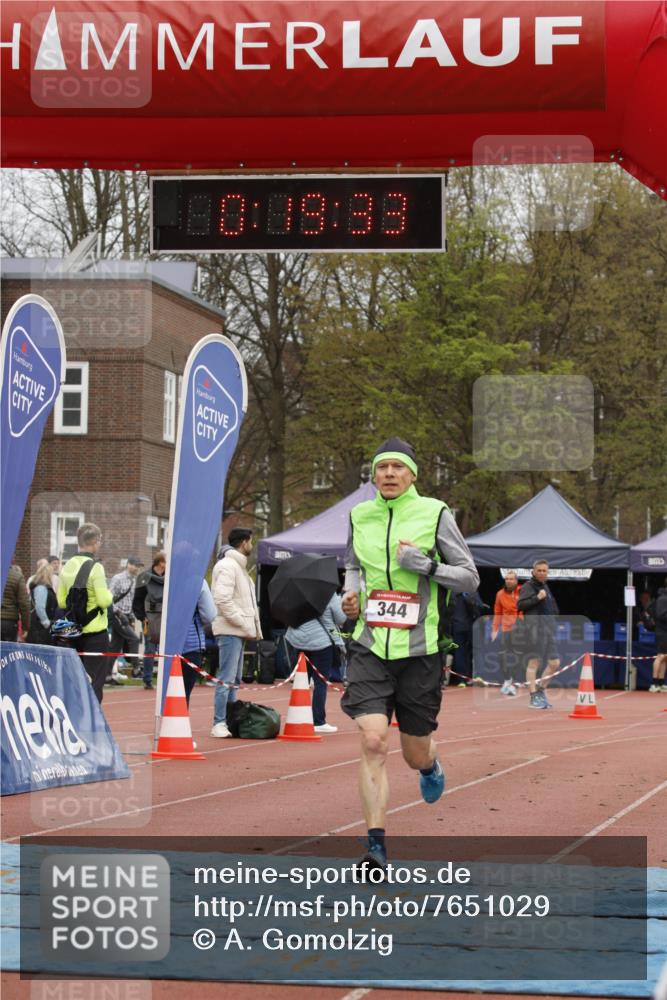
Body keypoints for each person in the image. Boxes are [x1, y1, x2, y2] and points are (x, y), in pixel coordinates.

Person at [341, 437, 479, 873]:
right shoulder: (359, 514)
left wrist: (427, 566)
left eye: (397, 467)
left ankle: (430, 764)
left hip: (420, 649)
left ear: (412, 474)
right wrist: (350, 595)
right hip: (369, 644)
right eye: (381, 467)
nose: (388, 474)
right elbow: (353, 565)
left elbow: (470, 578)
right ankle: (375, 845)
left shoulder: (435, 513)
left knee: (413, 752)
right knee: (372, 740)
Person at [210, 528, 262, 738]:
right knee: (226, 678)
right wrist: (241, 621)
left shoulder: (238, 568)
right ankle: (219, 722)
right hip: (231, 630)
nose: (252, 545)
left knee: (234, 679)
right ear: (243, 542)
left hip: (238, 631)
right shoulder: (228, 567)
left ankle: (229, 720)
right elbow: (221, 599)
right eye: (251, 541)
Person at [57, 523, 113, 703]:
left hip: (72, 630)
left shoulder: (66, 566)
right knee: (94, 681)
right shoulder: (96, 567)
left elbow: (61, 601)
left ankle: (75, 716)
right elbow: (104, 601)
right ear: (95, 541)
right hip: (95, 632)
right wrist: (110, 594)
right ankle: (92, 720)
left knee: (75, 679)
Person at [285, 592, 347, 734]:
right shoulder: (328, 593)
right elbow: (341, 618)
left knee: (301, 681)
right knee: (320, 682)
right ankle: (318, 720)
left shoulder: (296, 593)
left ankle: (296, 717)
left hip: (298, 639)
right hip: (321, 641)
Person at [516, 559, 560, 710]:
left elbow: (552, 607)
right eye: (539, 570)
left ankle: (540, 691)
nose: (542, 573)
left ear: (548, 572)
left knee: (554, 663)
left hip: (548, 631)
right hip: (534, 631)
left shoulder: (545, 586)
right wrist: (537, 598)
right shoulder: (529, 586)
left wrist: (554, 620)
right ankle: (533, 697)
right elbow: (520, 605)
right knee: (534, 663)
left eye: (544, 571)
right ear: (533, 571)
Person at [108, 556, 144, 685]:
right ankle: (136, 669)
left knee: (115, 647)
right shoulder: (118, 579)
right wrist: (118, 612)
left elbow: (131, 601)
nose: (137, 568)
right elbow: (109, 599)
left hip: (127, 616)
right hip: (118, 615)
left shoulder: (135, 580)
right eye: (135, 565)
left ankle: (107, 676)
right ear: (128, 565)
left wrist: (132, 617)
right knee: (134, 638)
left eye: (139, 566)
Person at [132, 552, 166, 690]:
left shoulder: (169, 577)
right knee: (150, 648)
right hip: (149, 618)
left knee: (166, 649)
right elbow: (137, 600)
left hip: (165, 617)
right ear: (160, 562)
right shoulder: (144, 577)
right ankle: (147, 679)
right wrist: (142, 617)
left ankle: (166, 677)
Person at [181, 580, 217, 706]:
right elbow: (210, 615)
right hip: (190, 643)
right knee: (184, 693)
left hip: (164, 644)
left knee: (166, 693)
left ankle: (163, 723)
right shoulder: (198, 581)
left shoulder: (166, 577)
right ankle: (179, 724)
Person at [491, 570, 522, 696]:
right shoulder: (500, 594)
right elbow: (497, 612)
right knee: (501, 656)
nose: (509, 581)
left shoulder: (522, 591)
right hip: (506, 629)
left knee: (519, 656)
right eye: (507, 579)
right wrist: (494, 629)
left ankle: (512, 682)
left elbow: (526, 608)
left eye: (511, 579)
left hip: (521, 630)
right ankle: (507, 679)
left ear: (516, 581)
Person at [26, 562, 58, 645]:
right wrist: (46, 623)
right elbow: (40, 607)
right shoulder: (41, 588)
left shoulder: (40, 587)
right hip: (40, 630)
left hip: (39, 629)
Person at [1, 563, 31, 641]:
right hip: (8, 622)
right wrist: (25, 627)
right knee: (7, 651)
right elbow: (24, 604)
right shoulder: (16, 576)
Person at [648, 580, 667, 693]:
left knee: (665, 658)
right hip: (662, 632)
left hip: (665, 631)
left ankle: (660, 683)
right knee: (660, 656)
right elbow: (661, 615)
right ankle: (654, 684)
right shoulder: (663, 598)